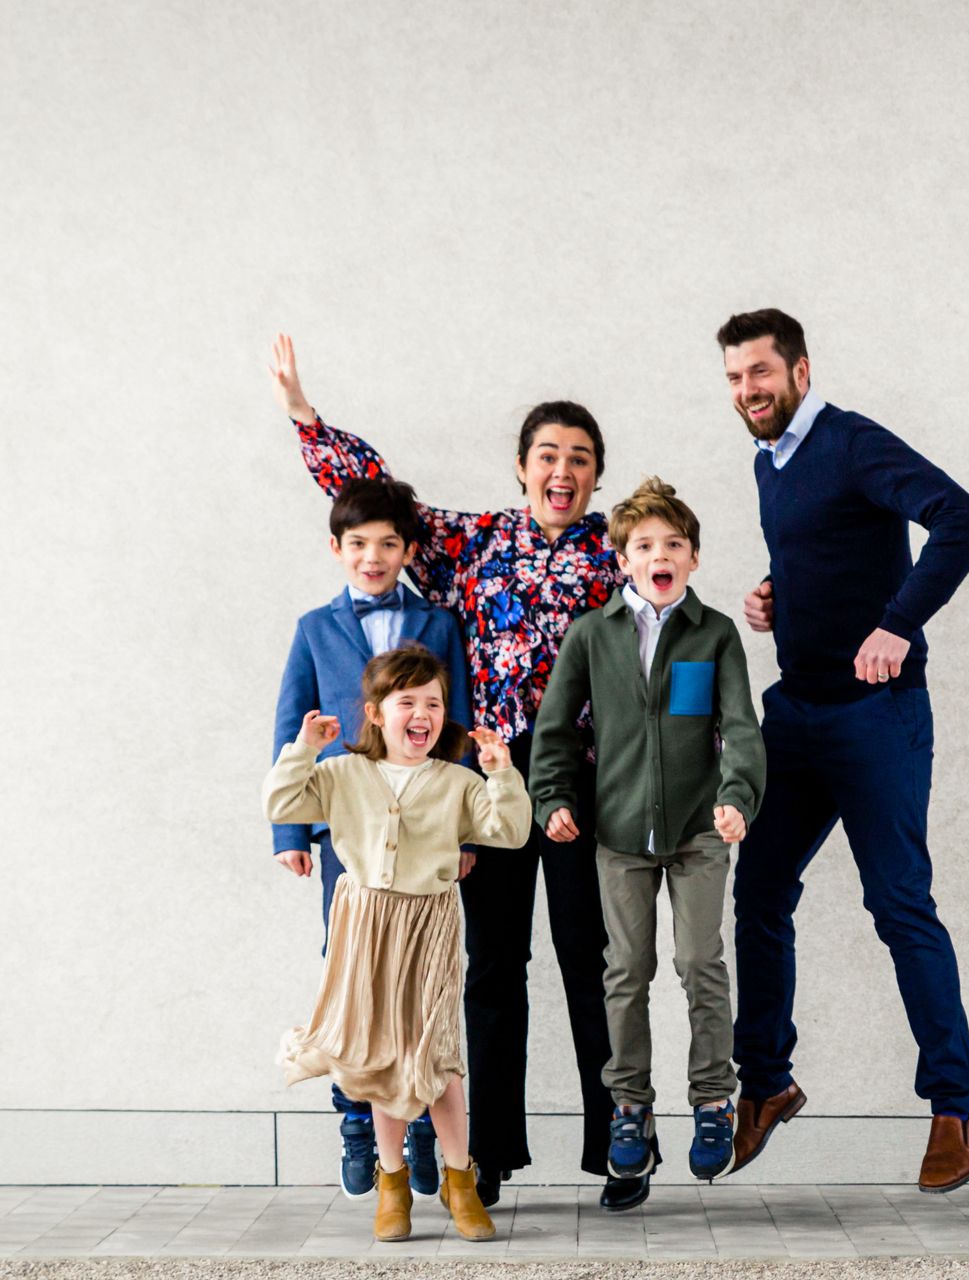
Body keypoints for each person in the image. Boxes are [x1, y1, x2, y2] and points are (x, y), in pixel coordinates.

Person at [268, 335, 644, 1210]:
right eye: (548, 455)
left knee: (595, 964)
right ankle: (491, 1157)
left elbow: (675, 587)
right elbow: (376, 505)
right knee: (491, 972)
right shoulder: (474, 543)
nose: (563, 470)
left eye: (580, 460)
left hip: (584, 789)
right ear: (521, 468)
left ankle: (618, 1145)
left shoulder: (612, 555)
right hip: (486, 792)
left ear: (594, 478)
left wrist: (772, 599)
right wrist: (304, 415)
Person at [717, 308, 969, 1192]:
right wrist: (776, 595)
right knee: (758, 890)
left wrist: (898, 625)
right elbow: (828, 549)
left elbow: (962, 520)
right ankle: (766, 1084)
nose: (746, 392)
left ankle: (954, 1107)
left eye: (759, 374)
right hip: (795, 718)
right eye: (732, 378)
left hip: (877, 720)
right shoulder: (769, 460)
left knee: (898, 904)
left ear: (799, 369)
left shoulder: (850, 441)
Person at [530, 478, 766, 1196]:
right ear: (622, 559)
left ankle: (713, 1101)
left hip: (699, 831)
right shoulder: (593, 635)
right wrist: (554, 799)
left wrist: (737, 798)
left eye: (673, 544)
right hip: (621, 835)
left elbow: (741, 729)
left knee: (700, 962)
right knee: (627, 973)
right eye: (643, 545)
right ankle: (629, 1107)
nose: (658, 554)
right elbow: (554, 729)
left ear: (693, 557)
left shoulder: (715, 633)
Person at [265, 645, 529, 1243]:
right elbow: (280, 803)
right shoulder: (339, 773)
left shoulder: (457, 781)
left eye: (433, 703)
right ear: (376, 713)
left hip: (430, 924)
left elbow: (510, 832)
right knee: (379, 1054)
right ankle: (393, 1182)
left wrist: (501, 772)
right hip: (364, 924)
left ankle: (460, 1179)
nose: (422, 713)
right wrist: (304, 748)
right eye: (406, 701)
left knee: (436, 1053)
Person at [271, 475, 474, 1200]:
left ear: (409, 551)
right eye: (358, 544)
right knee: (351, 972)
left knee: (420, 982)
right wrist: (292, 830)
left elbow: (459, 730)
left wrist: (466, 830)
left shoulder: (442, 624)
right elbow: (292, 725)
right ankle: (356, 1121)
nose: (373, 556)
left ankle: (420, 1127)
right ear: (337, 549)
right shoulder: (314, 628)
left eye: (389, 543)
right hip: (347, 831)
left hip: (426, 832)